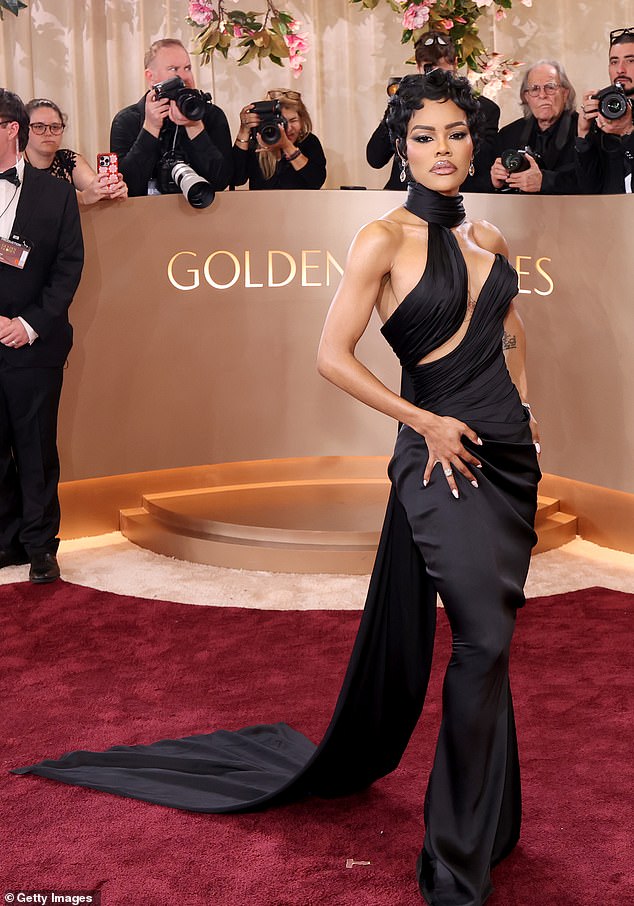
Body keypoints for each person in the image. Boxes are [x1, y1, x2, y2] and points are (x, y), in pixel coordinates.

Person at [13, 71, 540, 904]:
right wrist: (424, 421)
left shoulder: (493, 239)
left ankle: (491, 819)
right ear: (402, 147)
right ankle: (457, 853)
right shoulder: (384, 238)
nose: (443, 150)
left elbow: (510, 333)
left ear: (476, 140)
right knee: (480, 638)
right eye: (426, 137)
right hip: (438, 458)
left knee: (496, 637)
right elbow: (332, 357)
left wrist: (527, 408)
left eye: (456, 134)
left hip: (509, 458)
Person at [0, 89, 84, 583]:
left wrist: (28, 324)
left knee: (36, 448)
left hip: (37, 343)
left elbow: (69, 267)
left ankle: (39, 547)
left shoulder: (55, 194)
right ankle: (4, 542)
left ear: (12, 129)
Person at [366, 32, 500, 192]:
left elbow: (481, 166)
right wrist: (396, 106)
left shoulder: (483, 109)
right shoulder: (404, 104)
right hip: (404, 195)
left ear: (455, 64)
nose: (437, 79)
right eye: (429, 70)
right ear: (418, 67)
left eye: (442, 71)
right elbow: (375, 159)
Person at [109, 38, 232, 197]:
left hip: (202, 217)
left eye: (187, 68)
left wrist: (194, 127)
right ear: (150, 77)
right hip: (143, 217)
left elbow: (221, 182)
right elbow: (127, 187)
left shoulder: (212, 116)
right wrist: (151, 128)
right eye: (173, 69)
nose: (184, 77)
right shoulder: (127, 120)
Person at [490, 60, 579, 193]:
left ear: (565, 93)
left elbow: (589, 183)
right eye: (534, 89)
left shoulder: (583, 131)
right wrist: (497, 181)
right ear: (526, 97)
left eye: (550, 87)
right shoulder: (508, 134)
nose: (542, 95)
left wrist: (545, 182)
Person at [25, 98, 128, 203]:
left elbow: (94, 188)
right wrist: (82, 198)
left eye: (55, 127)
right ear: (24, 130)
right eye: (39, 127)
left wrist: (111, 191)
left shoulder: (68, 159)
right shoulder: (16, 165)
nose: (48, 133)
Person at [576, 27, 634, 193]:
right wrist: (583, 134)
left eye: (630, 60)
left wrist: (627, 133)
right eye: (614, 61)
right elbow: (588, 188)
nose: (620, 69)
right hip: (609, 216)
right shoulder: (605, 109)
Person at [232, 89, 326, 189]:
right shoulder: (258, 143)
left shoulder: (308, 142)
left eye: (293, 120)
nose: (289, 128)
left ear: (302, 120)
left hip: (300, 204)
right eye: (282, 122)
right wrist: (243, 132)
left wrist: (287, 147)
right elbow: (235, 179)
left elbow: (316, 181)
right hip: (262, 204)